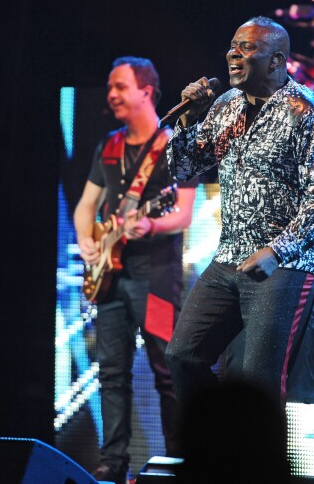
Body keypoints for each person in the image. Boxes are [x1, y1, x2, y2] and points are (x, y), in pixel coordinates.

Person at [164, 16, 314, 410]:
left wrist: (277, 252)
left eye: (246, 48)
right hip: (228, 259)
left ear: (276, 61)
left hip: (285, 266)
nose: (233, 54)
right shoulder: (225, 105)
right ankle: (216, 446)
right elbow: (182, 169)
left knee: (258, 384)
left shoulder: (306, 112)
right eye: (232, 45)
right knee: (182, 356)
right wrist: (189, 121)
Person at [73, 56, 196, 484]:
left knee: (168, 367)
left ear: (147, 91)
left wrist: (151, 223)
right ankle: (112, 465)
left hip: (156, 275)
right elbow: (86, 206)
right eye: (109, 86)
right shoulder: (107, 146)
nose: (111, 94)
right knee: (111, 373)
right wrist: (87, 240)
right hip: (110, 278)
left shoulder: (173, 145)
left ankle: (179, 460)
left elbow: (182, 214)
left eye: (120, 86)